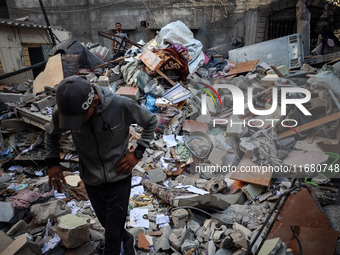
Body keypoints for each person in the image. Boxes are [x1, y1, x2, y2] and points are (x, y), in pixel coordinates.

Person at [45, 75, 157, 255]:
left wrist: (137, 152)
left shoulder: (120, 106)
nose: (77, 123)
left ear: (94, 100)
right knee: (108, 223)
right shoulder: (65, 111)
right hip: (91, 178)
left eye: (80, 117)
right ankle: (126, 239)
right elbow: (51, 133)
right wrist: (52, 162)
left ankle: (115, 249)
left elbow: (151, 121)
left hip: (119, 176)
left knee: (111, 234)